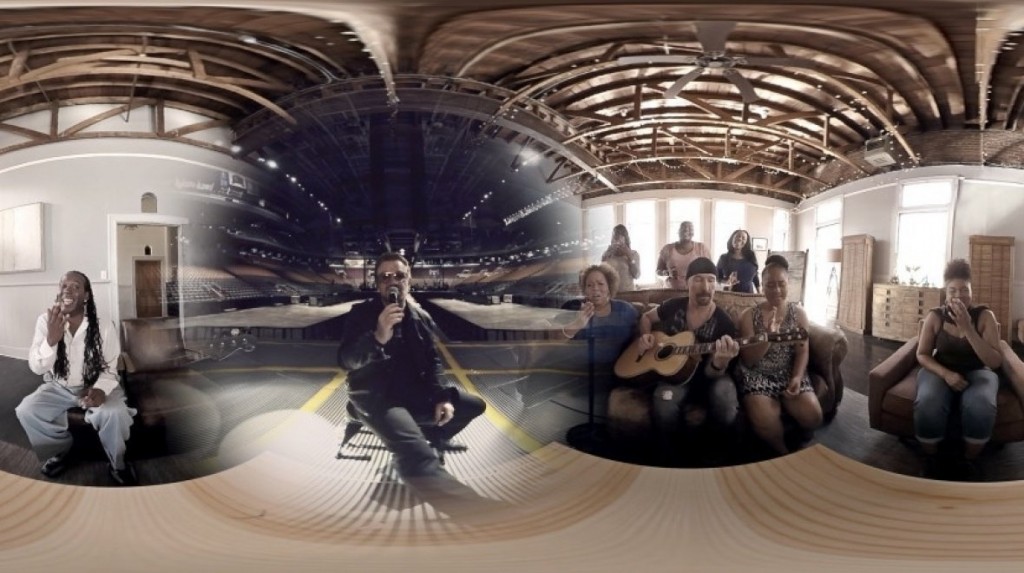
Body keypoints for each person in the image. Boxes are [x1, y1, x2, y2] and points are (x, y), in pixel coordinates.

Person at [337, 252, 486, 479]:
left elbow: (433, 361)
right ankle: (377, 423)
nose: (393, 281)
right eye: (385, 277)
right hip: (379, 397)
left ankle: (436, 437)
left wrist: (442, 397)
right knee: (417, 455)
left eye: (399, 276)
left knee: (474, 405)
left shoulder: (421, 317)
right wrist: (378, 337)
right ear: (378, 284)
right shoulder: (361, 314)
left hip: (414, 393)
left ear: (408, 280)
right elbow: (346, 360)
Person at [16, 270, 137, 485]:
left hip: (96, 384)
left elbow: (110, 367)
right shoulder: (45, 321)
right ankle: (61, 450)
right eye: (64, 286)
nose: (68, 290)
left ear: (86, 296)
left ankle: (118, 463)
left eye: (75, 286)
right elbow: (37, 368)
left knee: (114, 414)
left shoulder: (103, 325)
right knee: (27, 410)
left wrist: (100, 389)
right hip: (59, 387)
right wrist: (51, 341)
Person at [636, 257, 740, 464]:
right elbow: (646, 317)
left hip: (710, 377)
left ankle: (715, 454)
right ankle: (669, 458)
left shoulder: (724, 323)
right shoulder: (673, 306)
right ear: (687, 282)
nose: (705, 287)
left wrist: (719, 362)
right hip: (674, 375)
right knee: (663, 403)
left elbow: (714, 373)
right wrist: (645, 335)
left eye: (711, 280)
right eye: (698, 279)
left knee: (726, 398)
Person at [914, 258, 1002, 480]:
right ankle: (931, 458)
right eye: (953, 290)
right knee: (928, 401)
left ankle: (969, 460)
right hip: (941, 369)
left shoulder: (985, 316)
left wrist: (968, 328)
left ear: (972, 292)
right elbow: (922, 354)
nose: (959, 296)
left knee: (981, 403)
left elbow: (994, 362)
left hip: (978, 370)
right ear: (946, 293)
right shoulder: (935, 316)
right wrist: (946, 374)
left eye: (964, 290)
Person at [735, 255, 821, 455]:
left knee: (814, 416)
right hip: (757, 374)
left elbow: (802, 350)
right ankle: (782, 453)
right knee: (765, 420)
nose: (776, 290)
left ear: (788, 283)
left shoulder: (799, 314)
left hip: (788, 371)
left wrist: (797, 377)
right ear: (762, 286)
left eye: (781, 284)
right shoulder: (748, 316)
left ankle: (801, 437)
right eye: (770, 285)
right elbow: (748, 360)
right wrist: (768, 338)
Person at [560, 263, 639, 367]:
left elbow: (640, 334)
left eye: (601, 284)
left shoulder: (625, 310)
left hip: (620, 370)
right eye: (589, 285)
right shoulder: (573, 308)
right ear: (585, 290)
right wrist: (577, 324)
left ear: (609, 287)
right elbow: (553, 340)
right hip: (580, 371)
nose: (595, 288)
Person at [656, 221, 711, 290]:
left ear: (693, 233)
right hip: (671, 292)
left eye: (690, 229)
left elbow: (711, 271)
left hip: (696, 291)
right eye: (683, 228)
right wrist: (667, 273)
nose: (686, 230)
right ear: (678, 231)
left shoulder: (702, 248)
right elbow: (658, 271)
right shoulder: (667, 249)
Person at [716, 229, 760, 293]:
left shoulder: (751, 257)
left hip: (748, 295)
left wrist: (760, 293)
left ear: (746, 243)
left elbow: (755, 277)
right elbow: (717, 278)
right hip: (730, 295)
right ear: (732, 239)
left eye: (743, 238)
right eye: (737, 236)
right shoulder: (723, 258)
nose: (739, 239)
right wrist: (727, 282)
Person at [601, 225, 640, 292]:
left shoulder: (634, 254)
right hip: (611, 294)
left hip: (628, 293)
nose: (617, 241)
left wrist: (629, 256)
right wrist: (606, 257)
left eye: (620, 237)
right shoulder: (607, 254)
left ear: (625, 239)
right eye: (614, 237)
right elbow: (602, 275)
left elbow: (636, 275)